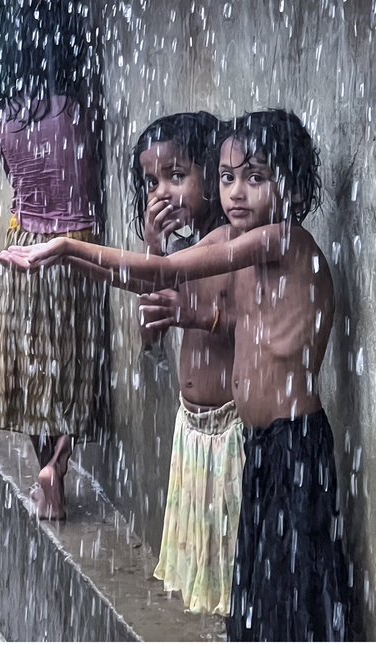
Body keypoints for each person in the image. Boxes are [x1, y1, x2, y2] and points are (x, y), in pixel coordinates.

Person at [0, 109, 359, 640]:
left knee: (294, 586)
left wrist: (69, 244)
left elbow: (167, 272)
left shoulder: (282, 241)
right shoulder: (241, 245)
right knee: (259, 588)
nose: (236, 193)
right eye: (229, 177)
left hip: (295, 443)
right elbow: (147, 276)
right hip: (263, 442)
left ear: (294, 184)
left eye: (256, 178)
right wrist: (66, 261)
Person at [128, 111, 246, 616]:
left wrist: (195, 312)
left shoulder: (234, 247)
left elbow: (254, 332)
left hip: (230, 430)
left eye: (177, 177)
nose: (163, 195)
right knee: (207, 571)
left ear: (211, 174)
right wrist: (154, 251)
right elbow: (149, 337)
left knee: (235, 564)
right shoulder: (179, 252)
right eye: (151, 182)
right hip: (191, 431)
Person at [0, 56, 106, 522]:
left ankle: (47, 481)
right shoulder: (77, 108)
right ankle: (59, 466)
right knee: (73, 370)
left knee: (34, 374)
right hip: (74, 248)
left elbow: (13, 179)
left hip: (22, 247)